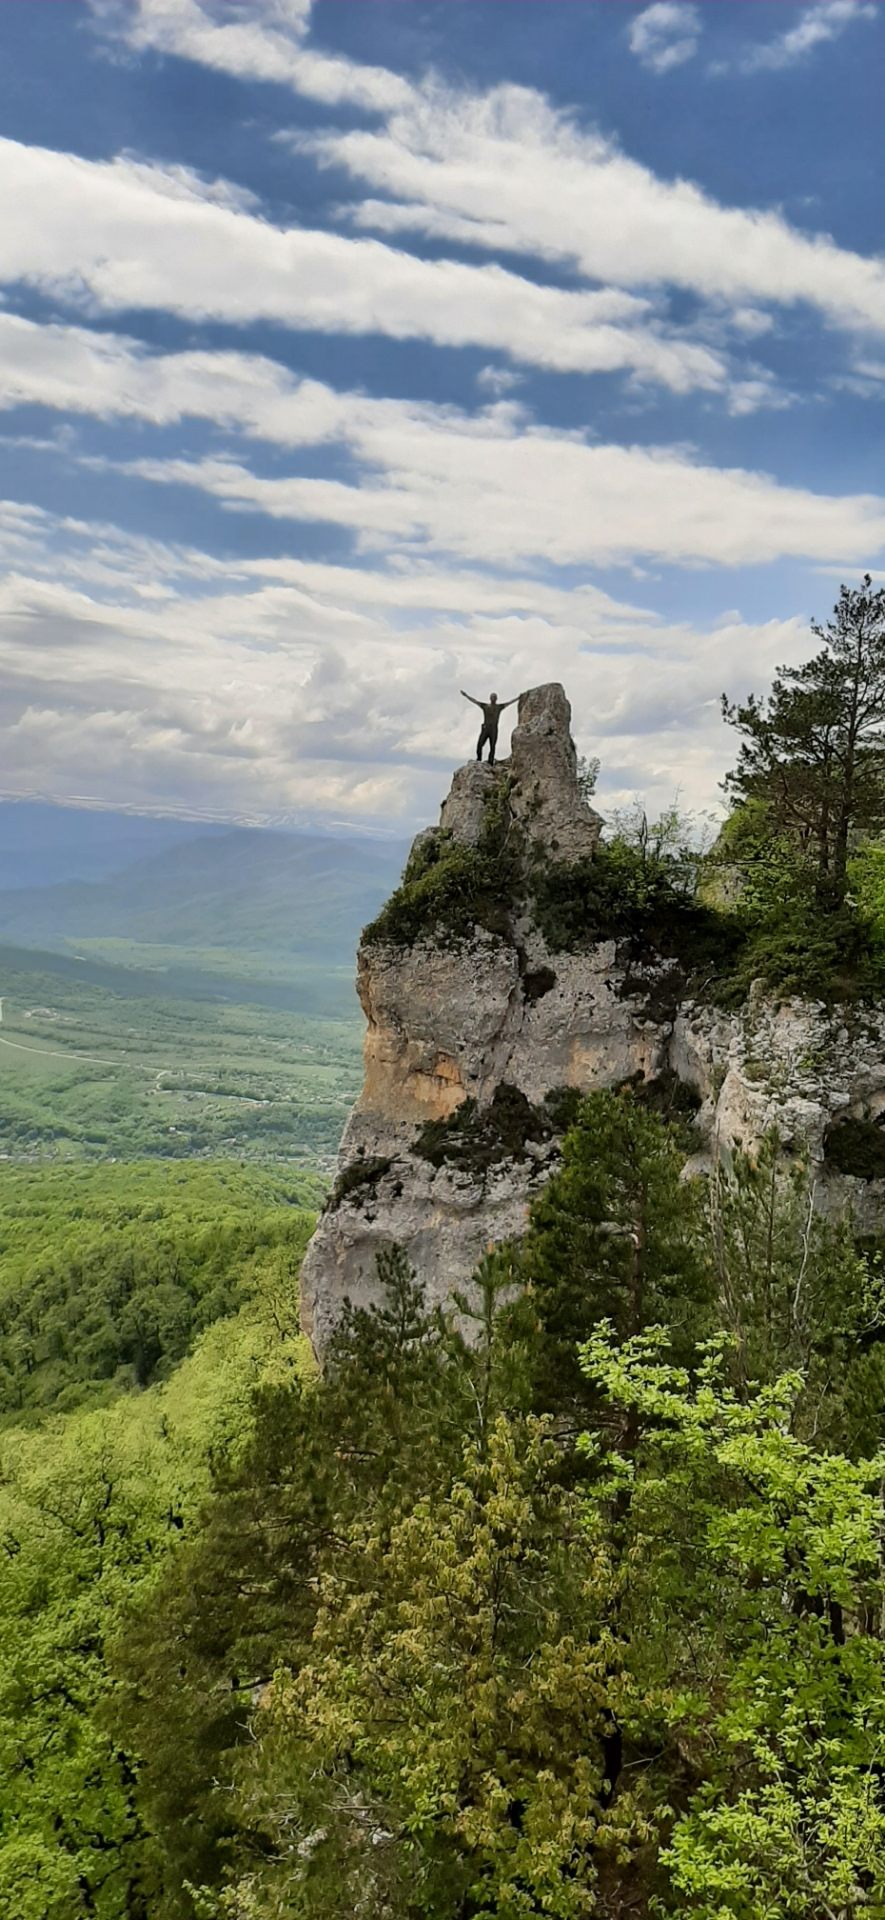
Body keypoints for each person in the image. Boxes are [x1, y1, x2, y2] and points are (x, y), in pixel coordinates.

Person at [460, 689, 517, 766]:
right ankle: (479, 758)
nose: (493, 699)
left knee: (492, 746)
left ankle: (490, 762)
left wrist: (518, 698)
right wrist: (466, 695)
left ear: (496, 699)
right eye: (492, 697)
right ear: (490, 698)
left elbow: (509, 702)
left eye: (494, 697)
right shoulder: (485, 706)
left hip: (493, 729)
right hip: (486, 728)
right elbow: (475, 701)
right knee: (480, 744)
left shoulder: (499, 707)